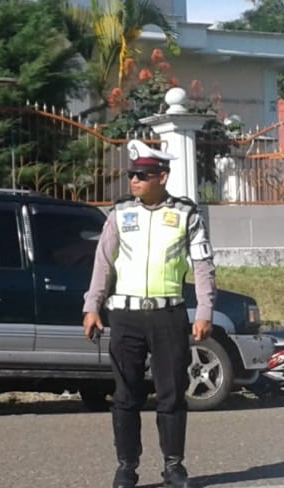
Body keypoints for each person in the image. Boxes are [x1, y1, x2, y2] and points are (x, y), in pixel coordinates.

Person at [82, 140, 216, 488]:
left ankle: (174, 466)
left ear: (162, 177)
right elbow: (103, 263)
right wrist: (92, 306)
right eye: (131, 174)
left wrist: (204, 311)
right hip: (125, 316)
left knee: (171, 394)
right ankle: (127, 467)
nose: (134, 181)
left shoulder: (187, 215)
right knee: (125, 395)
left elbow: (203, 266)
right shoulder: (120, 214)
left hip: (167, 315)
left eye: (142, 175)